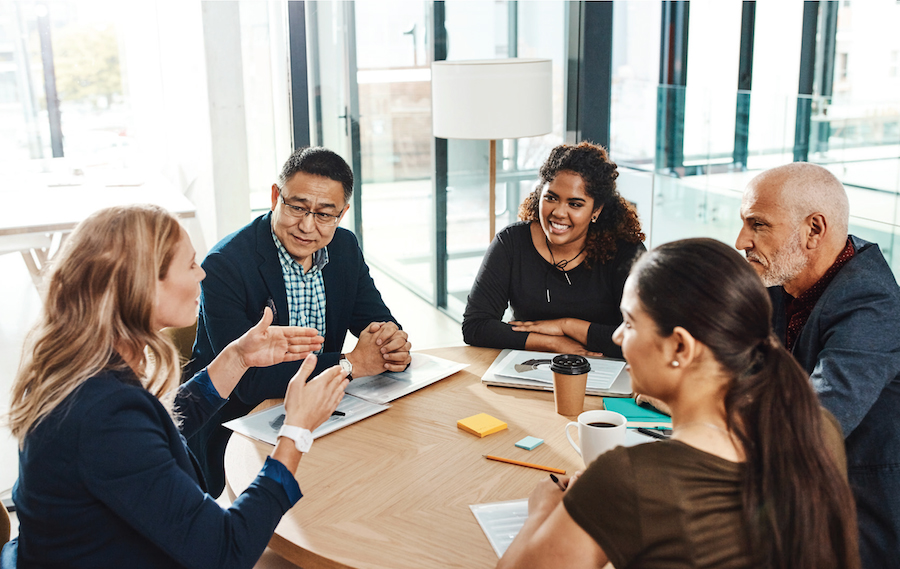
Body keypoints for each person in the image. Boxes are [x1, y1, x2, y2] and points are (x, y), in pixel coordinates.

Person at [3, 205, 349, 569]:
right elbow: (225, 552)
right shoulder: (103, 414)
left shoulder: (83, 366)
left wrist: (236, 358)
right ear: (144, 284)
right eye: (190, 264)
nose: (202, 272)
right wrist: (296, 432)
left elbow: (151, 432)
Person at [498, 238, 859, 569]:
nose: (617, 336)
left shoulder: (627, 480)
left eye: (629, 322)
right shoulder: (818, 429)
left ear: (680, 348)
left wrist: (542, 512)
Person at [186, 146, 411, 495]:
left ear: (343, 212)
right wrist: (349, 364)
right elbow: (246, 382)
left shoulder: (344, 248)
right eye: (297, 207)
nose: (307, 226)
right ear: (276, 196)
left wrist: (390, 342)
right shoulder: (225, 265)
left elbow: (375, 319)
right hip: (241, 426)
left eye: (325, 214)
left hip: (324, 417)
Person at [735, 162, 900, 568]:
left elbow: (816, 418)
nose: (741, 240)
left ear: (814, 230)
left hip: (853, 516)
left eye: (758, 225)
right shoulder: (783, 278)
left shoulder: (872, 306)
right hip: (783, 492)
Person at [462, 142, 645, 358]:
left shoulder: (626, 252)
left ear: (596, 210)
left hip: (606, 370)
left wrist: (566, 326)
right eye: (551, 198)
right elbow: (476, 326)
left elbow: (644, 338)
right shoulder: (512, 242)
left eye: (575, 204)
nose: (558, 213)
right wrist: (553, 344)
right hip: (528, 367)